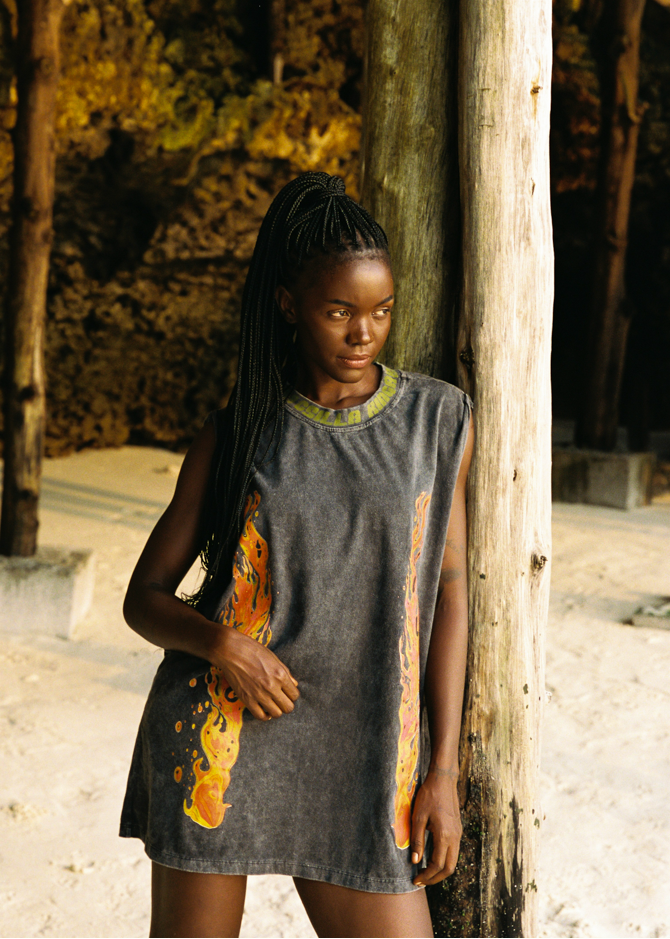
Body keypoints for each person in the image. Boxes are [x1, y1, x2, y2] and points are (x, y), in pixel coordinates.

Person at [120, 171, 474, 939]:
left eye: (380, 311)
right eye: (338, 309)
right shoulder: (240, 430)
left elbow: (450, 593)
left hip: (368, 749)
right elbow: (143, 596)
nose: (362, 333)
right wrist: (223, 645)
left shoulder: (437, 419)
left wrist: (442, 770)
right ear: (289, 305)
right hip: (224, 733)